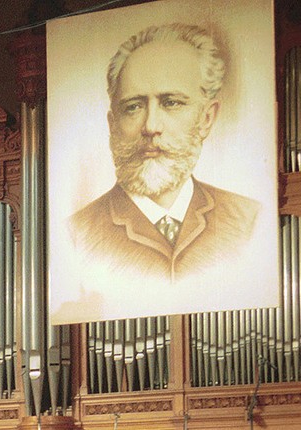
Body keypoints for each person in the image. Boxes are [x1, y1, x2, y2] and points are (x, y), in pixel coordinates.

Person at [61, 23, 263, 319]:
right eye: (133, 107)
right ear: (112, 123)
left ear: (207, 117)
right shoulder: (77, 236)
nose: (151, 126)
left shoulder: (248, 221)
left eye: (171, 103)